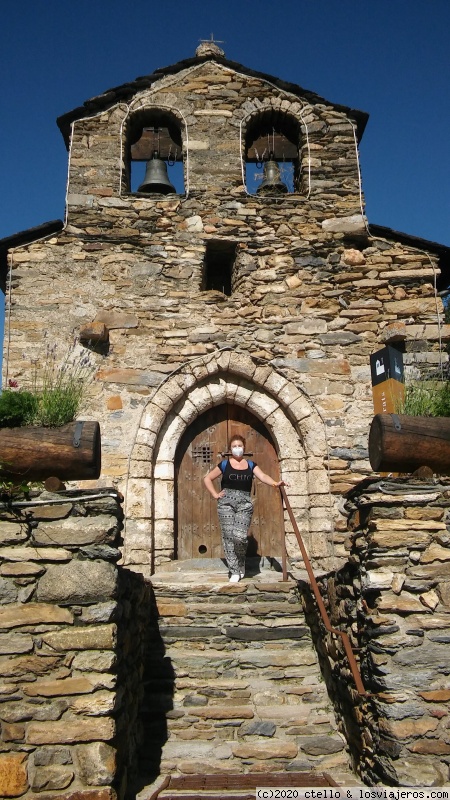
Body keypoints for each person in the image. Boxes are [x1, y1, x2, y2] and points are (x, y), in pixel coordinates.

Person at [203, 434, 286, 582]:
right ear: (230, 449)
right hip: (226, 504)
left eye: (239, 446)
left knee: (240, 537)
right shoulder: (224, 464)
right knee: (228, 537)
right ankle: (234, 570)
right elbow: (207, 478)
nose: (237, 449)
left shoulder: (251, 465)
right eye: (234, 446)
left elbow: (263, 476)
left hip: (244, 504)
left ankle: (241, 562)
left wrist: (275, 483)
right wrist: (215, 494)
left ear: (244, 448)